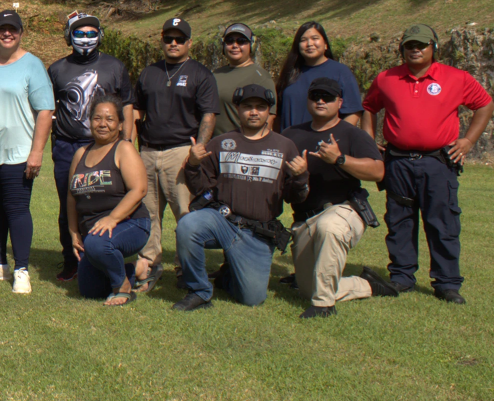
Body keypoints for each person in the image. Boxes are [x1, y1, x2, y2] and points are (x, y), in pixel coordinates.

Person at [362, 24, 493, 304]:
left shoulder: (456, 78)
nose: (415, 49)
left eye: (421, 44)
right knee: (399, 221)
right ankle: (402, 276)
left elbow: (484, 104)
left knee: (442, 222)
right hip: (398, 162)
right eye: (410, 45)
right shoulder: (386, 78)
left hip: (438, 163)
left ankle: (446, 283)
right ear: (402, 49)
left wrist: (468, 141)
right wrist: (369, 140)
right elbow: (369, 107)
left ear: (434, 47)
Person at [173, 85, 308, 311]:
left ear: (269, 111)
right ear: (237, 109)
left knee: (252, 298)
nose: (253, 112)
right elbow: (200, 187)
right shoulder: (220, 143)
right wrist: (194, 164)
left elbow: (296, 198)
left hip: (258, 232)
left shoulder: (284, 146)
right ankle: (199, 291)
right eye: (247, 107)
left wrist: (300, 177)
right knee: (188, 225)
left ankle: (227, 276)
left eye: (260, 107)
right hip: (222, 221)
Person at [282, 78, 396, 318]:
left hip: (343, 211)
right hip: (305, 218)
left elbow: (378, 171)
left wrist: (340, 159)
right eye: (316, 96)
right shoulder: (292, 134)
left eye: (328, 97)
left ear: (340, 102)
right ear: (308, 100)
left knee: (329, 226)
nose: (321, 101)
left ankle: (323, 306)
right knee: (307, 288)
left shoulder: (352, 134)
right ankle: (366, 285)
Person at [131, 17, 218, 293]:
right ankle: (150, 262)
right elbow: (136, 111)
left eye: (179, 39)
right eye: (168, 38)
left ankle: (186, 267)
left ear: (189, 42)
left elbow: (208, 114)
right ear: (162, 40)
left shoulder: (200, 74)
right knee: (148, 212)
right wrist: (128, 144)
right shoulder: (149, 73)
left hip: (180, 151)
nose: (173, 43)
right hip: (147, 151)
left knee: (185, 214)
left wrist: (198, 149)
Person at [46, 11, 134, 282]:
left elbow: (127, 106)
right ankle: (71, 260)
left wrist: (127, 142)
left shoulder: (115, 67)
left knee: (107, 201)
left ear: (100, 35)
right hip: (67, 146)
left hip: (107, 146)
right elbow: (48, 108)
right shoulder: (57, 69)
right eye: (79, 33)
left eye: (91, 33)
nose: (86, 38)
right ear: (68, 36)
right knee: (69, 204)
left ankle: (108, 257)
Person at [0, 10, 54, 295]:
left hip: (19, 151)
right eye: (2, 29)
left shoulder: (32, 65)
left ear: (21, 32)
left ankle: (21, 269)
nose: (7, 34)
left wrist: (37, 152)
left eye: (13, 29)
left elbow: (45, 111)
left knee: (17, 209)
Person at [67, 96, 150, 306]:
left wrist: (112, 218)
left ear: (120, 124)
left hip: (129, 224)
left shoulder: (123, 148)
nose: (102, 124)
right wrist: (73, 230)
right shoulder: (80, 153)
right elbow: (71, 196)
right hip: (95, 232)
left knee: (96, 242)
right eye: (97, 118)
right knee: (89, 290)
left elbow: (139, 189)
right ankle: (135, 269)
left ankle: (122, 287)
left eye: (110, 119)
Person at [276, 21, 362, 130]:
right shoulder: (290, 73)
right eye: (303, 40)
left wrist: (338, 138)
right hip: (290, 143)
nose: (309, 44)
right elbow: (278, 114)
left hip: (324, 144)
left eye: (315, 38)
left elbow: (353, 112)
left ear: (325, 44)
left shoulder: (340, 72)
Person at [213, 23, 276, 135]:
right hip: (214, 145)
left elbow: (269, 117)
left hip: (242, 146)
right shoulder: (214, 74)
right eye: (230, 41)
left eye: (241, 41)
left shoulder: (260, 77)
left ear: (250, 46)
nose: (235, 45)